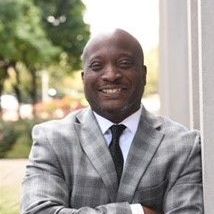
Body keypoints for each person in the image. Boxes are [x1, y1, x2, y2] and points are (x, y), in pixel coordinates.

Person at [21, 28, 203, 214]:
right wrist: (136, 212)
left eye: (124, 64)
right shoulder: (52, 140)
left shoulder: (183, 145)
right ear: (84, 78)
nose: (111, 75)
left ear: (144, 74)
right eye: (97, 66)